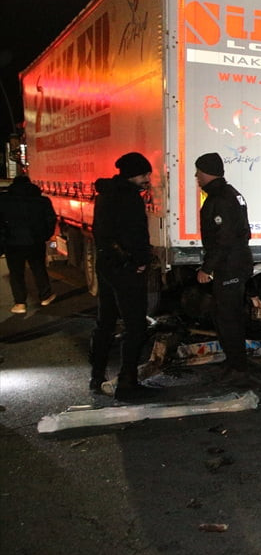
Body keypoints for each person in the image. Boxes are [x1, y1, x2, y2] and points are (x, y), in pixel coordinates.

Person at [90, 152, 156, 397]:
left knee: (105, 322)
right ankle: (127, 383)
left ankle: (97, 376)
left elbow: (101, 233)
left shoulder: (105, 195)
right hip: (126, 269)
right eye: (144, 174)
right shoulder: (129, 198)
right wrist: (138, 262)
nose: (147, 178)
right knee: (135, 325)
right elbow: (136, 235)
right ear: (131, 175)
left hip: (107, 265)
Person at [195, 152, 254, 382]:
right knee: (224, 315)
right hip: (234, 263)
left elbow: (224, 239)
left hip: (230, 266)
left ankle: (238, 367)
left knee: (228, 318)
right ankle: (233, 362)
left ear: (208, 172)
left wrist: (207, 268)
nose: (197, 176)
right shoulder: (230, 194)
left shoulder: (220, 199)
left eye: (199, 172)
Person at [0, 175, 58, 314]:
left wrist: (3, 239)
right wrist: (44, 235)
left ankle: (20, 303)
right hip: (35, 241)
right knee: (38, 268)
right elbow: (51, 219)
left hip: (12, 242)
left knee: (16, 273)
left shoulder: (4, 201)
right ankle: (45, 296)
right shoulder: (42, 201)